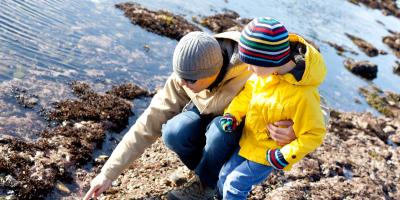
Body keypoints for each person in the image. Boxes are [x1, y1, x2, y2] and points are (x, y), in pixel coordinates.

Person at [83, 31, 309, 200]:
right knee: (173, 132)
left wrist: (295, 130)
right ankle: (205, 179)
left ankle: (211, 184)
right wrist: (108, 174)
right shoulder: (186, 74)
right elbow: (148, 123)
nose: (182, 83)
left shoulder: (255, 65)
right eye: (180, 76)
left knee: (220, 131)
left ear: (214, 73)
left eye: (190, 80)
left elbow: (316, 101)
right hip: (208, 115)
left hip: (241, 129)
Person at [217, 17, 328, 199]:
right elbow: (247, 95)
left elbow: (314, 134)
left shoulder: (303, 95)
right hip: (248, 142)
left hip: (269, 154)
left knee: (235, 184)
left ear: (270, 60)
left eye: (252, 64)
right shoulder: (265, 75)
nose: (250, 70)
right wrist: (232, 115)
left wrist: (285, 155)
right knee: (223, 176)